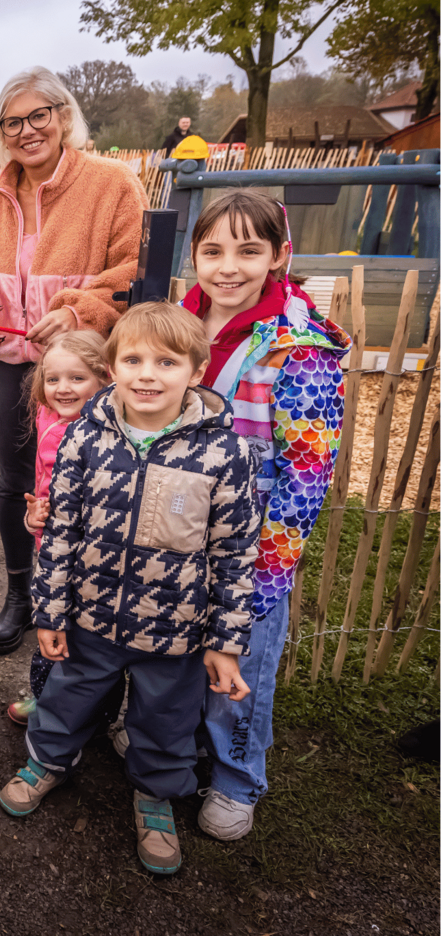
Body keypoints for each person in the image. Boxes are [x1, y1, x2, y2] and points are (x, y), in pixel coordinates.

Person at [0, 303, 259, 876]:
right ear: (112, 367)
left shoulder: (225, 454)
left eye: (166, 361)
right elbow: (61, 530)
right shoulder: (86, 440)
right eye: (133, 358)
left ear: (196, 371)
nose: (147, 373)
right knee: (66, 698)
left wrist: (225, 641)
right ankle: (48, 761)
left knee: (165, 719)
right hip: (89, 618)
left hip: (175, 631)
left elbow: (237, 555)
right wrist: (50, 611)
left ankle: (156, 796)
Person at [0, 66, 148, 655]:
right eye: (13, 122)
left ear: (63, 117)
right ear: (1, 133)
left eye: (39, 116)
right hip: (8, 364)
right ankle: (21, 594)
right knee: (17, 479)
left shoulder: (113, 185)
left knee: (95, 479)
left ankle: (87, 597)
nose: (27, 131)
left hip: (84, 368)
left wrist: (78, 312)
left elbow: (134, 272)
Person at [181, 189, 348, 841]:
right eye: (213, 250)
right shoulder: (181, 324)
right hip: (180, 531)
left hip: (250, 545)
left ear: (279, 256)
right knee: (183, 648)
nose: (228, 266)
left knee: (241, 663)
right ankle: (184, 745)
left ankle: (235, 777)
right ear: (194, 256)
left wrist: (269, 569)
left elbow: (307, 470)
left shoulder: (298, 349)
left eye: (248, 251)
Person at [5, 330, 109, 726]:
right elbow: (43, 483)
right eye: (53, 379)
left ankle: (89, 712)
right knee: (52, 623)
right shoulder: (48, 415)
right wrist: (35, 516)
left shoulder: (100, 432)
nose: (62, 389)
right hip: (51, 544)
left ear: (104, 380)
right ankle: (43, 696)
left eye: (77, 379)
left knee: (86, 636)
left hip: (87, 553)